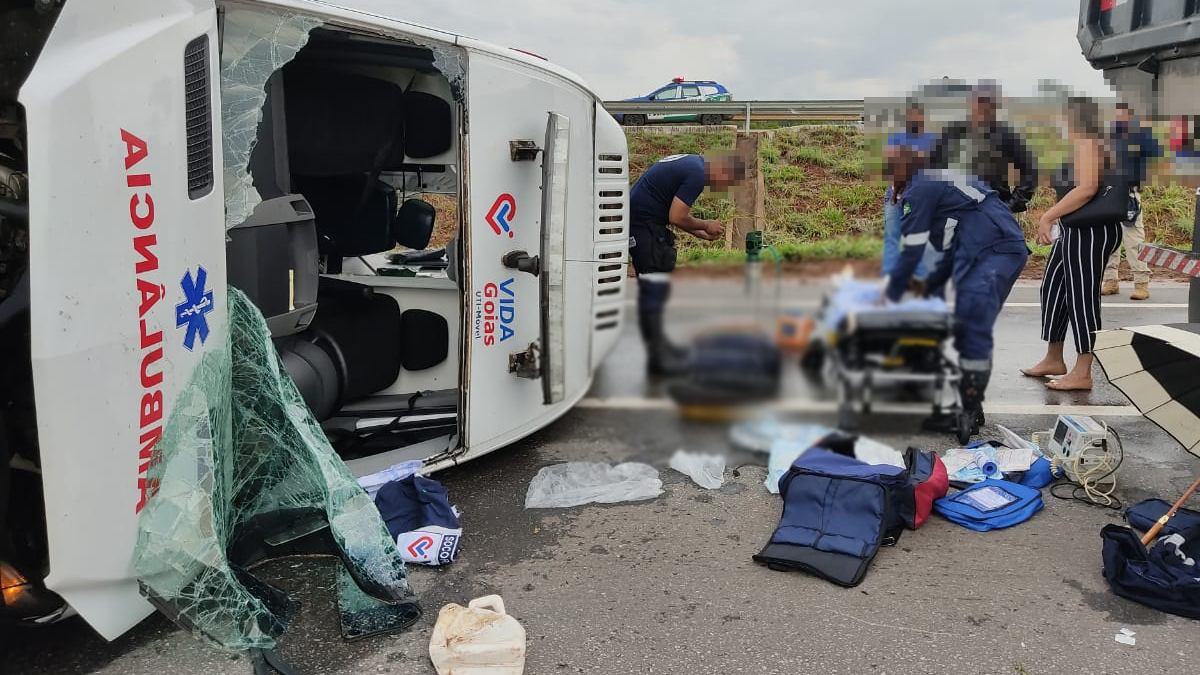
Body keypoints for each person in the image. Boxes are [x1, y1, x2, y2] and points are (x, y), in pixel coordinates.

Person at [883, 147, 1029, 438]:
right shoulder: (931, 177)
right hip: (979, 250)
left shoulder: (921, 187)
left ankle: (969, 409)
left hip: (995, 251)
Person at [1022, 95, 1121, 391]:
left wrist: (1048, 217)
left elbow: (1088, 188)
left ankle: (1083, 370)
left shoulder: (1092, 142)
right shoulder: (1079, 144)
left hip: (1092, 230)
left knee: (1082, 298)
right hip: (1075, 229)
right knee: (1052, 288)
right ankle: (1054, 357)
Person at [629, 153, 746, 375]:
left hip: (644, 220)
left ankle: (661, 350)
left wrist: (701, 233)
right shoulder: (698, 174)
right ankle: (658, 358)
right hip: (643, 225)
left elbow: (674, 214)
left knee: (658, 283)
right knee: (654, 286)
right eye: (725, 183)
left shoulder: (694, 163)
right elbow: (676, 216)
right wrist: (706, 223)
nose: (720, 188)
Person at [929, 81, 1038, 215]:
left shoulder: (1006, 135)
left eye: (989, 103)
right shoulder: (953, 133)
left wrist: (1010, 205)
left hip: (994, 213)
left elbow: (1030, 171)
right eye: (978, 102)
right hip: (958, 213)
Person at [1102, 102, 1163, 300]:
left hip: (1129, 194)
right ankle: (1110, 281)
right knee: (1110, 239)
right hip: (1109, 194)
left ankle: (1141, 283)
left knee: (1133, 240)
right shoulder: (1109, 138)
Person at [882, 100, 938, 280]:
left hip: (916, 198)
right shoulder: (896, 138)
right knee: (892, 237)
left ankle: (918, 277)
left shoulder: (931, 140)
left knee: (915, 237)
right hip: (894, 195)